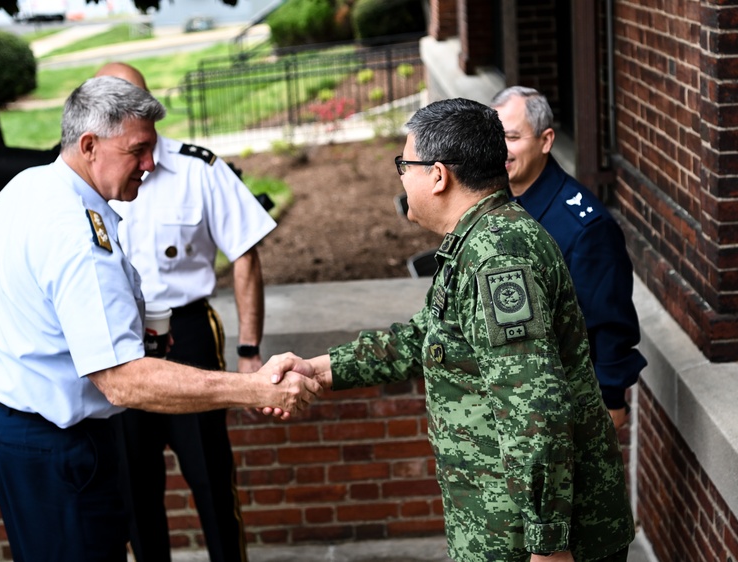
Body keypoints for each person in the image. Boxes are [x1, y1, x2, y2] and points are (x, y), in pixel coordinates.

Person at [0, 75, 322, 562]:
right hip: (61, 447)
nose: (149, 163)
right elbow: (121, 381)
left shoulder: (27, 187)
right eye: (137, 151)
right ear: (89, 145)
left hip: (12, 427)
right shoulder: (79, 236)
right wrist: (257, 388)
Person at [270, 98, 634, 561]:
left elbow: (534, 410)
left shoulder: (497, 259)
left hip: (527, 544)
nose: (402, 175)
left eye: (405, 163)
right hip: (497, 529)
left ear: (438, 175)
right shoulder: (476, 240)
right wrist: (318, 369)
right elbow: (424, 337)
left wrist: (548, 546)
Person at [96, 61, 275, 562]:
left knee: (211, 480)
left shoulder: (199, 167)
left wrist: (248, 351)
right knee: (135, 491)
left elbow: (245, 253)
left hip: (189, 333)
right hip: (120, 345)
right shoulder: (84, 177)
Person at [491, 86, 647, 430]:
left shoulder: (585, 228)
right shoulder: (498, 200)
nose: (501, 148)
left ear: (546, 140)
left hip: (566, 406)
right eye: (495, 136)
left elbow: (609, 322)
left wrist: (611, 399)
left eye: (513, 137)